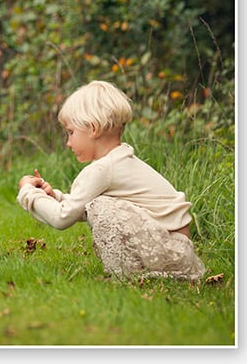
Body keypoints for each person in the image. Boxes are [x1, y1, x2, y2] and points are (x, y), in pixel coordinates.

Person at [16, 80, 206, 280]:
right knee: (99, 205)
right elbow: (80, 207)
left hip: (170, 252)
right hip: (175, 249)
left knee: (101, 207)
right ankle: (136, 273)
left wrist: (28, 193)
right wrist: (54, 196)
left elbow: (62, 218)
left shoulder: (103, 169)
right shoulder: (119, 160)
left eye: (71, 132)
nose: (68, 142)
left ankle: (126, 275)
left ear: (94, 129)